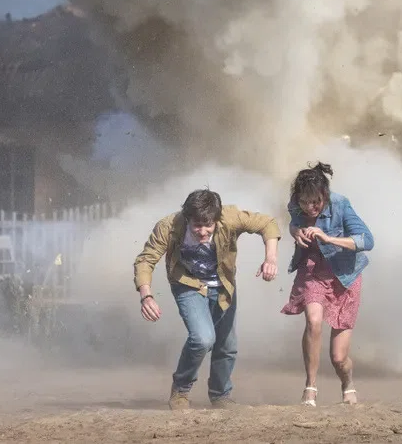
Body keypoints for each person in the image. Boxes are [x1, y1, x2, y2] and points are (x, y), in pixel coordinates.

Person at [133, 188, 281, 410]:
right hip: (187, 283)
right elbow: (145, 260)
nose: (202, 231)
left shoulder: (230, 217)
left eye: (208, 225)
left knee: (227, 344)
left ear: (217, 219)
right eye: (197, 225)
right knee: (203, 338)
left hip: (223, 286)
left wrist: (270, 258)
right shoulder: (169, 226)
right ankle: (181, 389)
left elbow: (268, 224)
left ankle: (221, 396)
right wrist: (146, 296)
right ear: (187, 219)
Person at [280, 161, 374, 406]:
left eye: (316, 202)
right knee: (313, 320)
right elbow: (294, 222)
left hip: (344, 276)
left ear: (325, 195)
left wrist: (329, 238)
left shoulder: (341, 203)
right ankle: (310, 387)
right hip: (312, 268)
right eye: (304, 202)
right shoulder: (295, 204)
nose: (309, 207)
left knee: (338, 357)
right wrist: (294, 231)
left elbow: (367, 240)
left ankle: (347, 382)